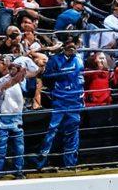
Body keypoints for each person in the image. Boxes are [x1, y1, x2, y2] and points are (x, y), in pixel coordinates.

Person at [34, 35, 85, 170]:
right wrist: (61, 75)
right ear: (64, 45)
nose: (72, 45)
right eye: (69, 43)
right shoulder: (55, 60)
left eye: (74, 43)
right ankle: (41, 164)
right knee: (52, 132)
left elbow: (81, 78)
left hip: (75, 102)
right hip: (60, 101)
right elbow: (45, 77)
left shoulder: (80, 59)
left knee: (73, 133)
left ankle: (70, 165)